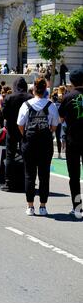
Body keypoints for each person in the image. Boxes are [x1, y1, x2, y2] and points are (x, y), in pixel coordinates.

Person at [17, 78, 60, 216]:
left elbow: (20, 124)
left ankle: (30, 206)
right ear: (45, 90)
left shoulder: (26, 105)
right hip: (45, 144)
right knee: (44, 175)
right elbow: (54, 125)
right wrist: (48, 133)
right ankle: (43, 206)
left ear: (34, 90)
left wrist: (26, 135)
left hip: (29, 143)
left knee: (29, 175)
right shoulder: (51, 105)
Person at [59, 69, 83, 219]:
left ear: (72, 82)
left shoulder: (68, 97)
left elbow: (60, 119)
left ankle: (78, 208)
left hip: (73, 140)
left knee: (74, 177)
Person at [1, 78, 32, 192]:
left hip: (12, 129)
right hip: (26, 129)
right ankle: (26, 181)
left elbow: (4, 114)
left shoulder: (9, 97)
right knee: (26, 156)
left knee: (10, 155)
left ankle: (8, 183)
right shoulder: (30, 98)